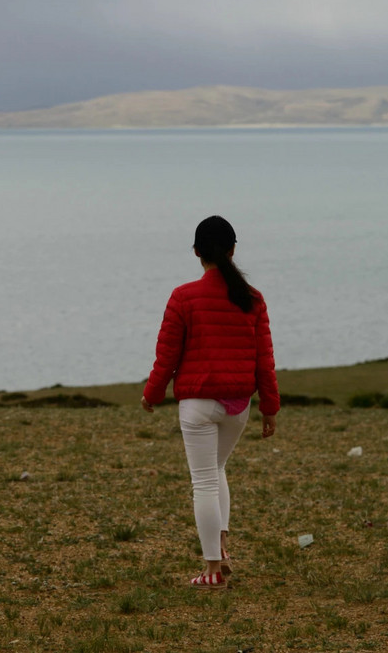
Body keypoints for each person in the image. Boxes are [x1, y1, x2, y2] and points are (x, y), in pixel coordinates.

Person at [141, 215, 279, 590]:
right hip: (239, 406)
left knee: (203, 480)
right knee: (216, 468)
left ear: (197, 252)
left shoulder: (183, 297)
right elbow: (264, 360)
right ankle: (220, 545)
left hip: (198, 404)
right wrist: (269, 408)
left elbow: (166, 356)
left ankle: (213, 569)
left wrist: (152, 394)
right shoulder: (253, 299)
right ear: (233, 250)